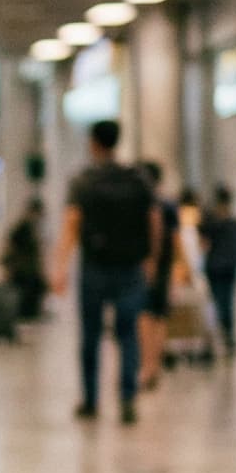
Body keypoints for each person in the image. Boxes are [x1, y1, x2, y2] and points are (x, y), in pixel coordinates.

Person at [52, 120, 162, 424]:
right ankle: (127, 398)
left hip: (95, 267)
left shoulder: (84, 181)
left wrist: (60, 266)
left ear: (93, 143)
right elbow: (154, 220)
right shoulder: (138, 179)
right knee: (128, 335)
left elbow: (71, 225)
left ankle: (90, 399)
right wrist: (150, 259)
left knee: (90, 335)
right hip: (130, 266)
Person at [137, 164, 178, 391]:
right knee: (159, 317)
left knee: (144, 316)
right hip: (164, 268)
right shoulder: (169, 205)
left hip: (144, 267)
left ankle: (146, 365)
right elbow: (176, 240)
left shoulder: (142, 205)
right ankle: (155, 366)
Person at [199, 186, 236, 352]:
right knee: (225, 303)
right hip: (226, 269)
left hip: (218, 269)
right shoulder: (232, 223)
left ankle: (221, 337)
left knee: (219, 303)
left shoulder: (215, 222)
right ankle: (225, 337)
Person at [5, 200, 47, 322]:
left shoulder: (33, 227)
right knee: (25, 301)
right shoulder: (22, 227)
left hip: (30, 269)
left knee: (32, 298)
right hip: (22, 270)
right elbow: (10, 245)